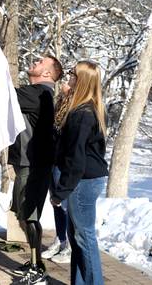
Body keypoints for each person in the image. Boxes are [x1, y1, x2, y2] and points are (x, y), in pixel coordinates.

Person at [50, 61, 109, 285]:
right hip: (86, 179)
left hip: (83, 182)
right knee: (79, 237)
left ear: (82, 80)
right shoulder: (89, 108)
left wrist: (61, 191)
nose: (69, 77)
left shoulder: (82, 114)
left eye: (73, 74)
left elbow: (76, 158)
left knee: (85, 238)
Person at [9, 55, 63, 285]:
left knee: (29, 216)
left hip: (32, 167)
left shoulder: (38, 93)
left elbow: (3, 93)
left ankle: (37, 268)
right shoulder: (40, 93)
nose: (34, 62)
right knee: (24, 215)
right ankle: (35, 262)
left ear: (48, 73)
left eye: (40, 62)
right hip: (30, 165)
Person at [42, 80, 72, 264]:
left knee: (65, 205)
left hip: (63, 163)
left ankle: (69, 245)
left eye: (69, 81)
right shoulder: (59, 104)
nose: (64, 83)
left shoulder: (74, 108)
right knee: (55, 204)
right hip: (53, 161)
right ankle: (60, 239)